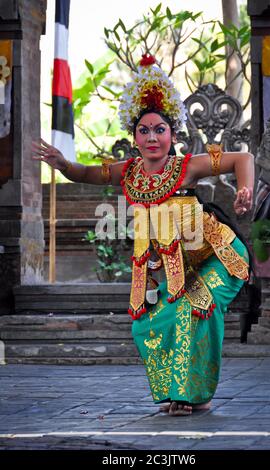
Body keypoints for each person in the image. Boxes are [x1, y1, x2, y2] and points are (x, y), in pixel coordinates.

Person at [32, 54, 254, 416]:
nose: (152, 137)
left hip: (220, 256)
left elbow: (242, 160)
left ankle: (193, 394)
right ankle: (182, 389)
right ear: (134, 137)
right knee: (148, 323)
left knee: (193, 309)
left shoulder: (187, 167)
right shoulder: (128, 171)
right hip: (176, 268)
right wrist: (64, 165)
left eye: (160, 130)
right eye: (144, 130)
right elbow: (86, 173)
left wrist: (244, 190)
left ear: (173, 135)